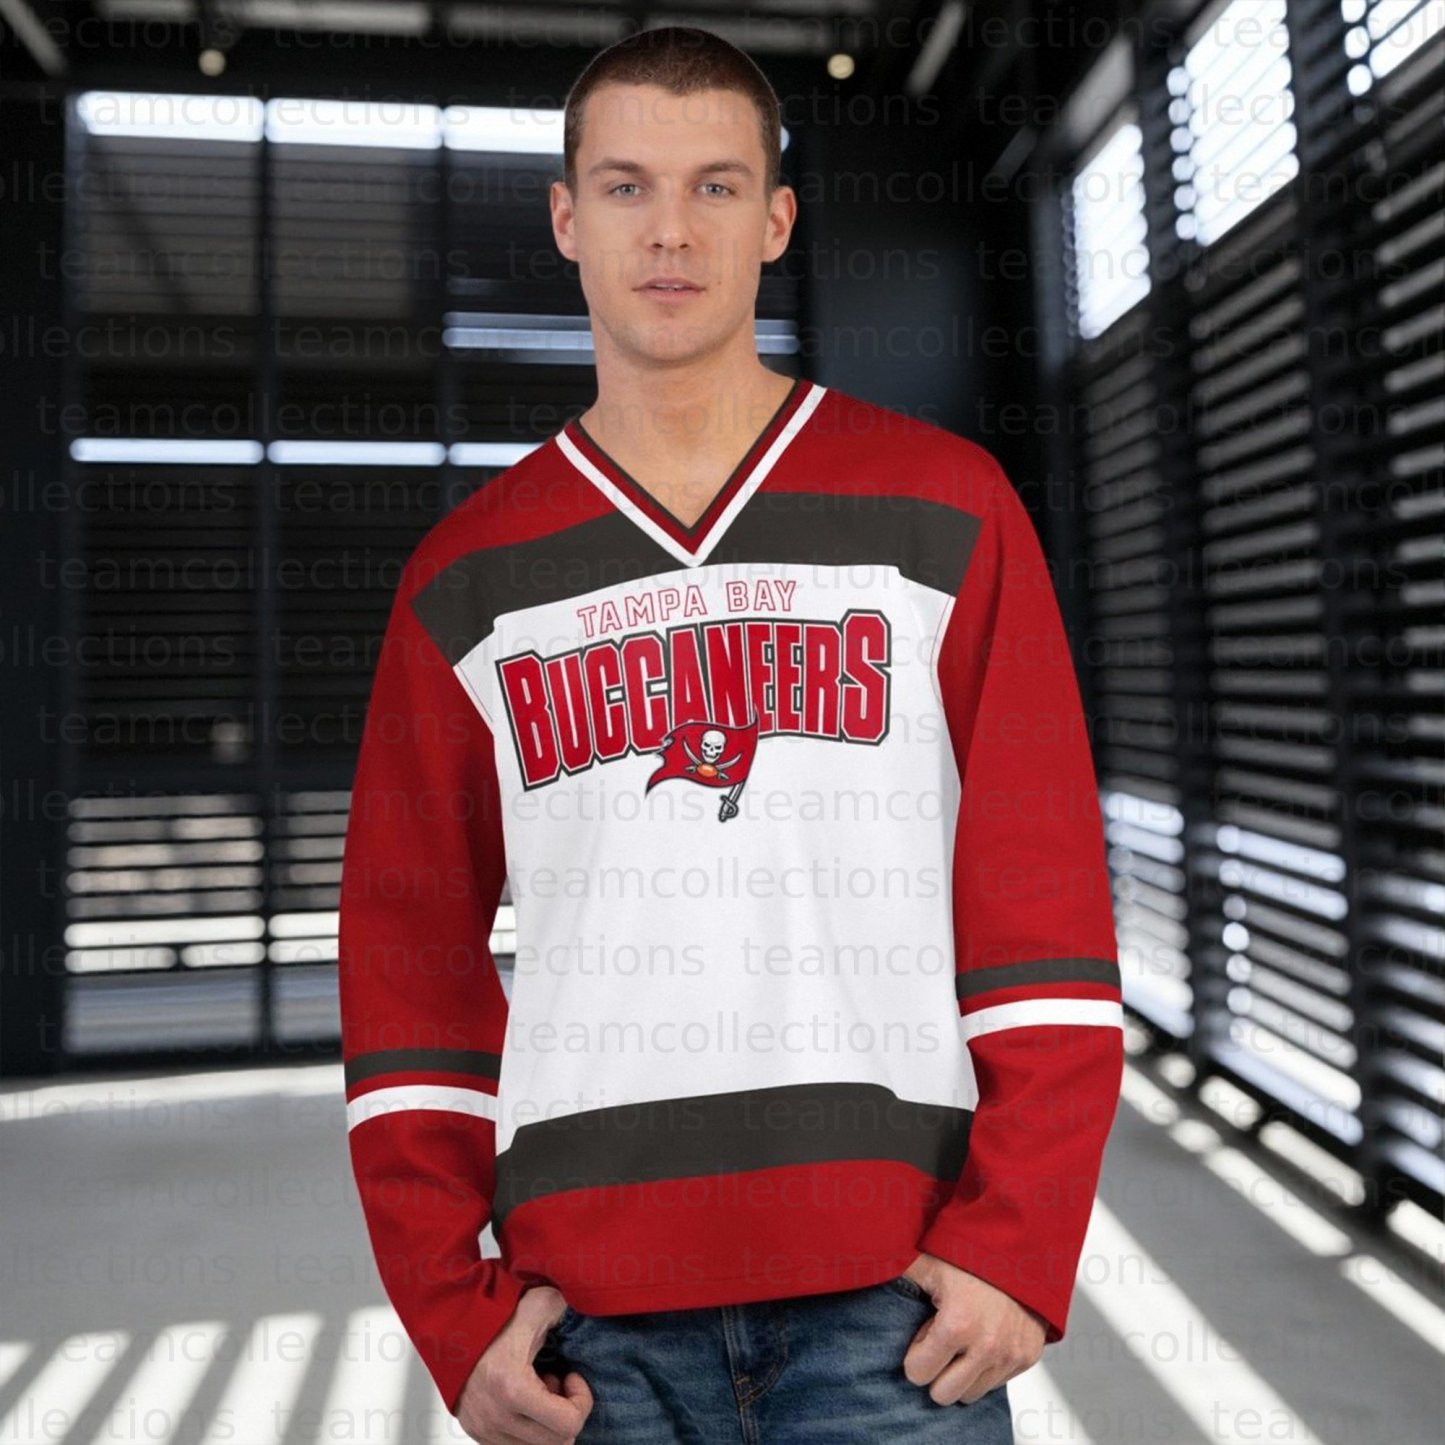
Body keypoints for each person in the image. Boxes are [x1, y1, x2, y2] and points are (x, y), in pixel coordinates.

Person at [337, 23, 1124, 1445]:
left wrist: (1020, 1239)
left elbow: (1040, 895)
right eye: (626, 187)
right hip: (588, 1324)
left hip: (896, 1303)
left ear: (775, 219)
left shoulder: (945, 509)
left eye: (715, 185)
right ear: (567, 220)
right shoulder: (467, 576)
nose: (670, 230)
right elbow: (407, 961)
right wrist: (449, 1306)